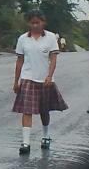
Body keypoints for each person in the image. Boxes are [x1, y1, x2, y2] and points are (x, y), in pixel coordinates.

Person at [13, 10, 68, 155]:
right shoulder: (23, 39)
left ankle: (45, 135)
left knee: (44, 110)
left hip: (44, 80)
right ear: (28, 23)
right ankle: (26, 142)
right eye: (32, 22)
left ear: (43, 22)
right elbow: (19, 61)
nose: (35, 25)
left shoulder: (50, 38)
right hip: (28, 78)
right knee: (27, 110)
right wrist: (16, 81)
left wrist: (50, 76)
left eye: (38, 22)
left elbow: (54, 59)